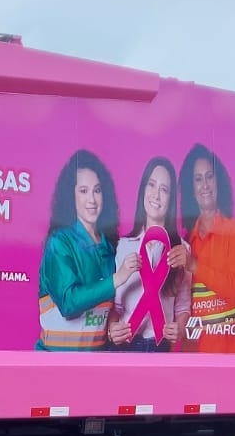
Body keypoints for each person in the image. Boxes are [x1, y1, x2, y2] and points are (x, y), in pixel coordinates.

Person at [36, 150, 138, 351]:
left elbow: (107, 311)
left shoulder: (110, 247)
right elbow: (68, 303)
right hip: (56, 365)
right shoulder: (59, 243)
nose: (92, 199)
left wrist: (112, 329)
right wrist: (118, 278)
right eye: (83, 191)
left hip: (94, 366)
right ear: (70, 196)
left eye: (97, 190)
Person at [108, 157, 192, 351]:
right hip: (125, 347)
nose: (156, 195)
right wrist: (112, 328)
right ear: (143, 190)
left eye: (164, 190)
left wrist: (179, 327)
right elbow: (115, 306)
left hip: (159, 346)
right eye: (151, 185)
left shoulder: (182, 250)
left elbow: (182, 307)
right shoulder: (123, 246)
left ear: (171, 199)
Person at [179, 144, 235, 353]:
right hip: (191, 354)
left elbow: (234, 293)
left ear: (219, 182)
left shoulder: (234, 230)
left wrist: (193, 265)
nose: (205, 185)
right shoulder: (186, 239)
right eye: (198, 179)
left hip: (225, 355)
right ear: (191, 188)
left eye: (209, 176)